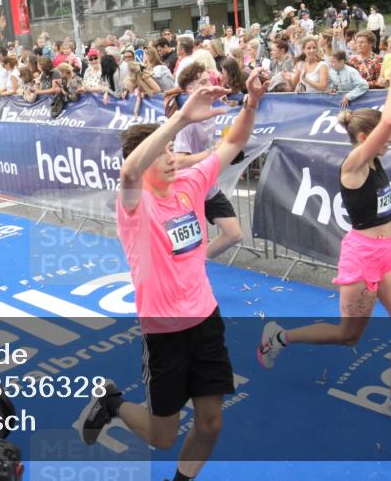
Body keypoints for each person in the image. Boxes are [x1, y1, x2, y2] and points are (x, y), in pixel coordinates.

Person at [78, 66, 268, 481]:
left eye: (171, 151)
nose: (170, 158)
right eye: (160, 152)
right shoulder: (134, 204)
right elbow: (130, 172)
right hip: (165, 332)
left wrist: (252, 103)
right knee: (163, 436)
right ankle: (112, 403)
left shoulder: (191, 183)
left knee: (211, 422)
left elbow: (234, 141)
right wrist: (181, 117)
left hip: (205, 319)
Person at [258, 41, 391, 427]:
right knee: (347, 336)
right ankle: (281, 337)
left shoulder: (373, 156)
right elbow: (389, 122)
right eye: (382, 138)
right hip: (361, 257)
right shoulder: (354, 164)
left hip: (388, 253)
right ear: (363, 139)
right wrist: (390, 75)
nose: (390, 140)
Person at [172, 63, 244, 259]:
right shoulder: (187, 122)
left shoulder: (211, 111)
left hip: (208, 186)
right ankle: (185, 267)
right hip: (188, 190)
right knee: (184, 244)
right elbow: (178, 162)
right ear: (190, 89)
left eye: (209, 80)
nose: (210, 85)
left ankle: (198, 260)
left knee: (234, 234)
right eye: (202, 82)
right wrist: (214, 153)